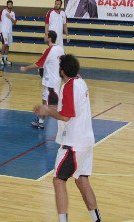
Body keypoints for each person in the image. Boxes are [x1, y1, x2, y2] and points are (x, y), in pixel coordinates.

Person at [34, 54, 102, 222]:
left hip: (73, 143)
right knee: (82, 181)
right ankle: (97, 219)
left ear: (62, 71)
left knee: (58, 180)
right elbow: (68, 106)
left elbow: (66, 115)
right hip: (86, 141)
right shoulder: (80, 81)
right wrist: (48, 107)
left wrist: (48, 111)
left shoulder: (69, 86)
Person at [21, 30, 64, 130]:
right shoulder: (60, 49)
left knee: (51, 105)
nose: (44, 37)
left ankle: (62, 124)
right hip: (56, 80)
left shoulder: (49, 50)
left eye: (46, 35)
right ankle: (40, 122)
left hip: (50, 82)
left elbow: (39, 63)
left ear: (49, 38)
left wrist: (26, 68)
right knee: (47, 102)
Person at [0, 0, 17, 66]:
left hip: (9, 31)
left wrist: (10, 17)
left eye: (11, 4)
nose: (10, 5)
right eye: (9, 4)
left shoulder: (13, 13)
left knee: (8, 45)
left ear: (12, 5)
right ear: (7, 5)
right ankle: (1, 59)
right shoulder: (3, 11)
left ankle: (5, 59)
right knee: (5, 44)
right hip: (4, 31)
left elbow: (14, 22)